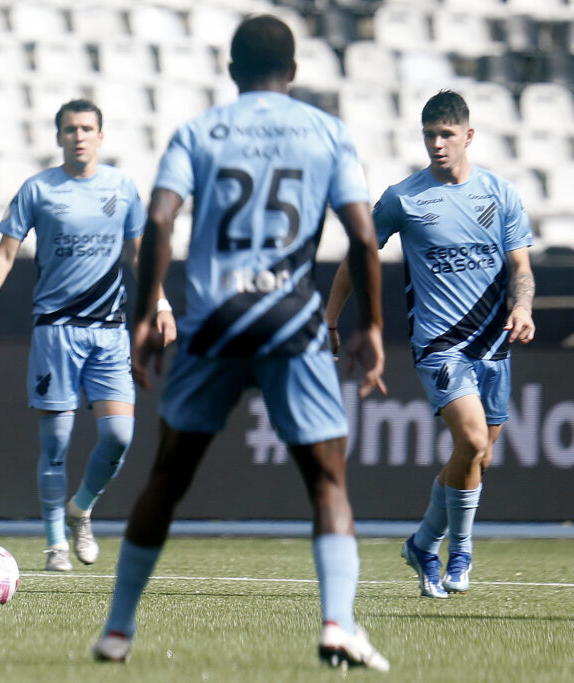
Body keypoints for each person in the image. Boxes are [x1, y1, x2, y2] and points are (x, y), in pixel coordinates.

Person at [92, 16, 390, 671]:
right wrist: (370, 324)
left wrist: (146, 313)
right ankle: (337, 623)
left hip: (215, 320)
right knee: (327, 483)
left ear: (230, 69)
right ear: (294, 71)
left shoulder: (199, 132)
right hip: (291, 320)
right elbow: (365, 238)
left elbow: (160, 218)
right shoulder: (327, 132)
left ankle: (117, 628)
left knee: (167, 477)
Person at [325, 90, 535, 600]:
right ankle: (460, 551)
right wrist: (329, 319)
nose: (437, 145)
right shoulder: (404, 197)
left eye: (446, 135)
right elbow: (359, 256)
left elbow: (521, 269)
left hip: (494, 346)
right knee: (473, 444)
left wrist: (523, 306)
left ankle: (422, 544)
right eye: (429, 136)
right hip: (441, 348)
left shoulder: (501, 194)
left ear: (468, 135)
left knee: (476, 461)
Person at [0, 99, 169, 572]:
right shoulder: (39, 189)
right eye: (70, 129)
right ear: (58, 137)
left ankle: (81, 509)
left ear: (101, 135)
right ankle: (55, 542)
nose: (79, 136)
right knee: (57, 443)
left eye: (87, 128)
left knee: (119, 435)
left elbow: (139, 256)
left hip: (109, 333)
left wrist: (161, 304)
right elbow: (6, 255)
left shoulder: (121, 187)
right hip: (56, 332)